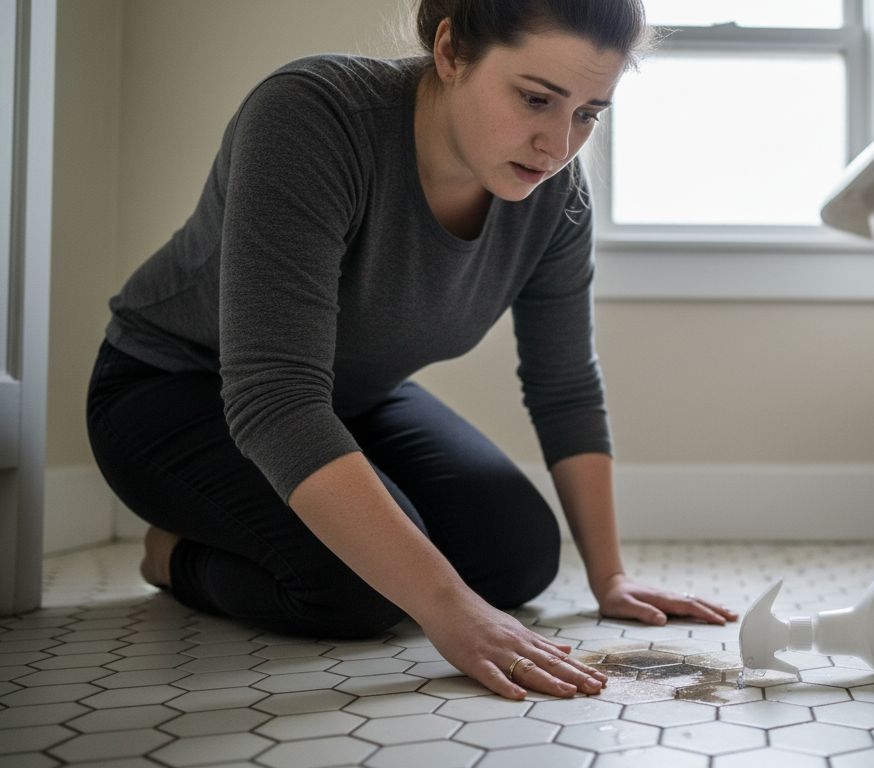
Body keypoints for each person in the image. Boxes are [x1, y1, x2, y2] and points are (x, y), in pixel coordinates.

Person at [85, 0, 737, 701]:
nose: (557, 145)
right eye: (535, 98)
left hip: (347, 395)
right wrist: (448, 610)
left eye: (587, 114)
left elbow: (565, 384)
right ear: (453, 52)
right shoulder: (311, 116)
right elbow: (275, 398)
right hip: (172, 388)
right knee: (353, 591)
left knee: (515, 556)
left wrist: (610, 577)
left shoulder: (553, 197)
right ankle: (172, 556)